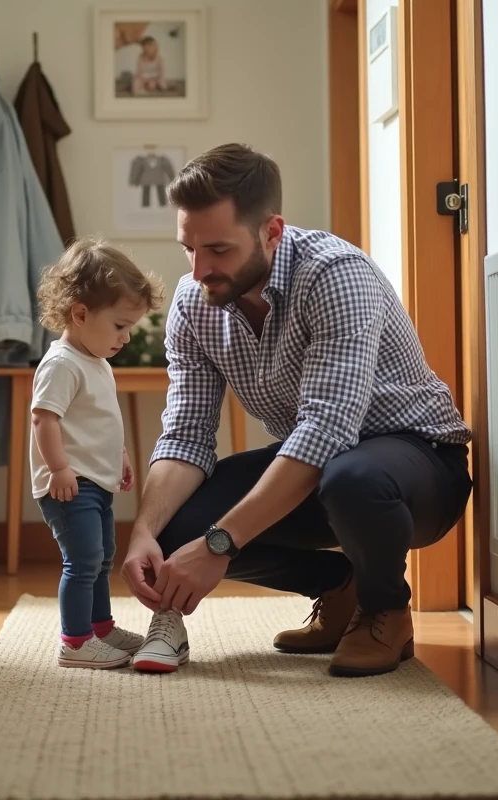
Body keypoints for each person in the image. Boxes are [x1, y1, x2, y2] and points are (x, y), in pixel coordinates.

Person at [121, 143, 473, 677]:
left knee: (351, 478)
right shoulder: (196, 304)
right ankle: (339, 589)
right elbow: (186, 435)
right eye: (189, 249)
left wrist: (221, 543)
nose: (200, 270)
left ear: (272, 231)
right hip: (317, 467)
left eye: (218, 249)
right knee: (177, 527)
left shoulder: (335, 275)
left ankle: (385, 608)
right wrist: (145, 529)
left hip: (416, 465)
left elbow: (327, 429)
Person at [31, 236, 164, 669]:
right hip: (70, 484)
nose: (126, 337)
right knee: (83, 559)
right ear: (81, 313)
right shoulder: (62, 363)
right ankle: (74, 642)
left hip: (94, 479)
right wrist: (60, 468)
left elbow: (97, 419)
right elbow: (44, 419)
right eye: (120, 325)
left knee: (102, 555)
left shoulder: (96, 360)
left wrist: (120, 456)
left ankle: (100, 627)